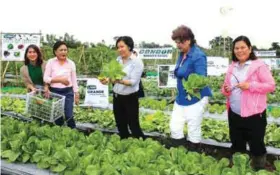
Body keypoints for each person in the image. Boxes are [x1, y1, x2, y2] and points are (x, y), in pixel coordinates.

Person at [221, 36, 275, 170]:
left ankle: (259, 168)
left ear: (250, 49)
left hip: (254, 115)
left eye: (243, 47)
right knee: (237, 143)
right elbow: (225, 86)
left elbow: (270, 86)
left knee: (256, 145)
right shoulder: (232, 67)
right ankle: (239, 167)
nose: (239, 51)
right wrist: (226, 89)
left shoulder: (259, 66)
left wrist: (250, 86)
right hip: (234, 113)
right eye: (236, 48)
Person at [169, 25, 212, 151]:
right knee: (175, 127)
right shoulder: (182, 54)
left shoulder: (198, 56)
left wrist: (193, 88)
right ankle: (181, 152)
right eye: (176, 42)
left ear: (188, 40)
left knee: (193, 128)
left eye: (179, 42)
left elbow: (201, 78)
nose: (177, 45)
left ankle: (193, 155)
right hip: (181, 98)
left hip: (195, 99)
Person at [100, 36, 145, 139]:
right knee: (120, 124)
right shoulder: (118, 60)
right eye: (118, 47)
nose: (119, 50)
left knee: (133, 125)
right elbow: (112, 76)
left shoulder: (137, 62)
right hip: (117, 97)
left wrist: (118, 81)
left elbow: (133, 82)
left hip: (130, 97)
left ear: (129, 46)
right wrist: (107, 80)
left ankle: (141, 146)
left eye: (122, 47)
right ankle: (124, 146)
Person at [44, 41, 79, 129]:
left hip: (68, 92)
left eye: (65, 50)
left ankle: (73, 132)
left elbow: (74, 79)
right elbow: (46, 78)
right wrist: (60, 80)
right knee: (57, 116)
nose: (64, 52)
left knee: (69, 115)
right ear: (55, 52)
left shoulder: (71, 63)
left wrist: (77, 93)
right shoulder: (51, 62)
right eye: (61, 50)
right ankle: (60, 133)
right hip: (55, 92)